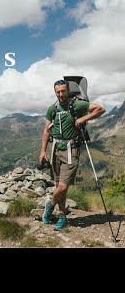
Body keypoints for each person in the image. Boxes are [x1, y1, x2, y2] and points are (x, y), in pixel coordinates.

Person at [39, 79, 105, 230]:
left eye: (63, 91)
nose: (61, 94)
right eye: (58, 92)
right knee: (58, 185)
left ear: (68, 90)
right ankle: (62, 217)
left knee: (62, 187)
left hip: (71, 149)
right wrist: (43, 151)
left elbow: (100, 109)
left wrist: (83, 118)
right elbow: (46, 131)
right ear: (55, 92)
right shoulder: (52, 109)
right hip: (55, 149)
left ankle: (50, 205)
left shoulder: (76, 104)